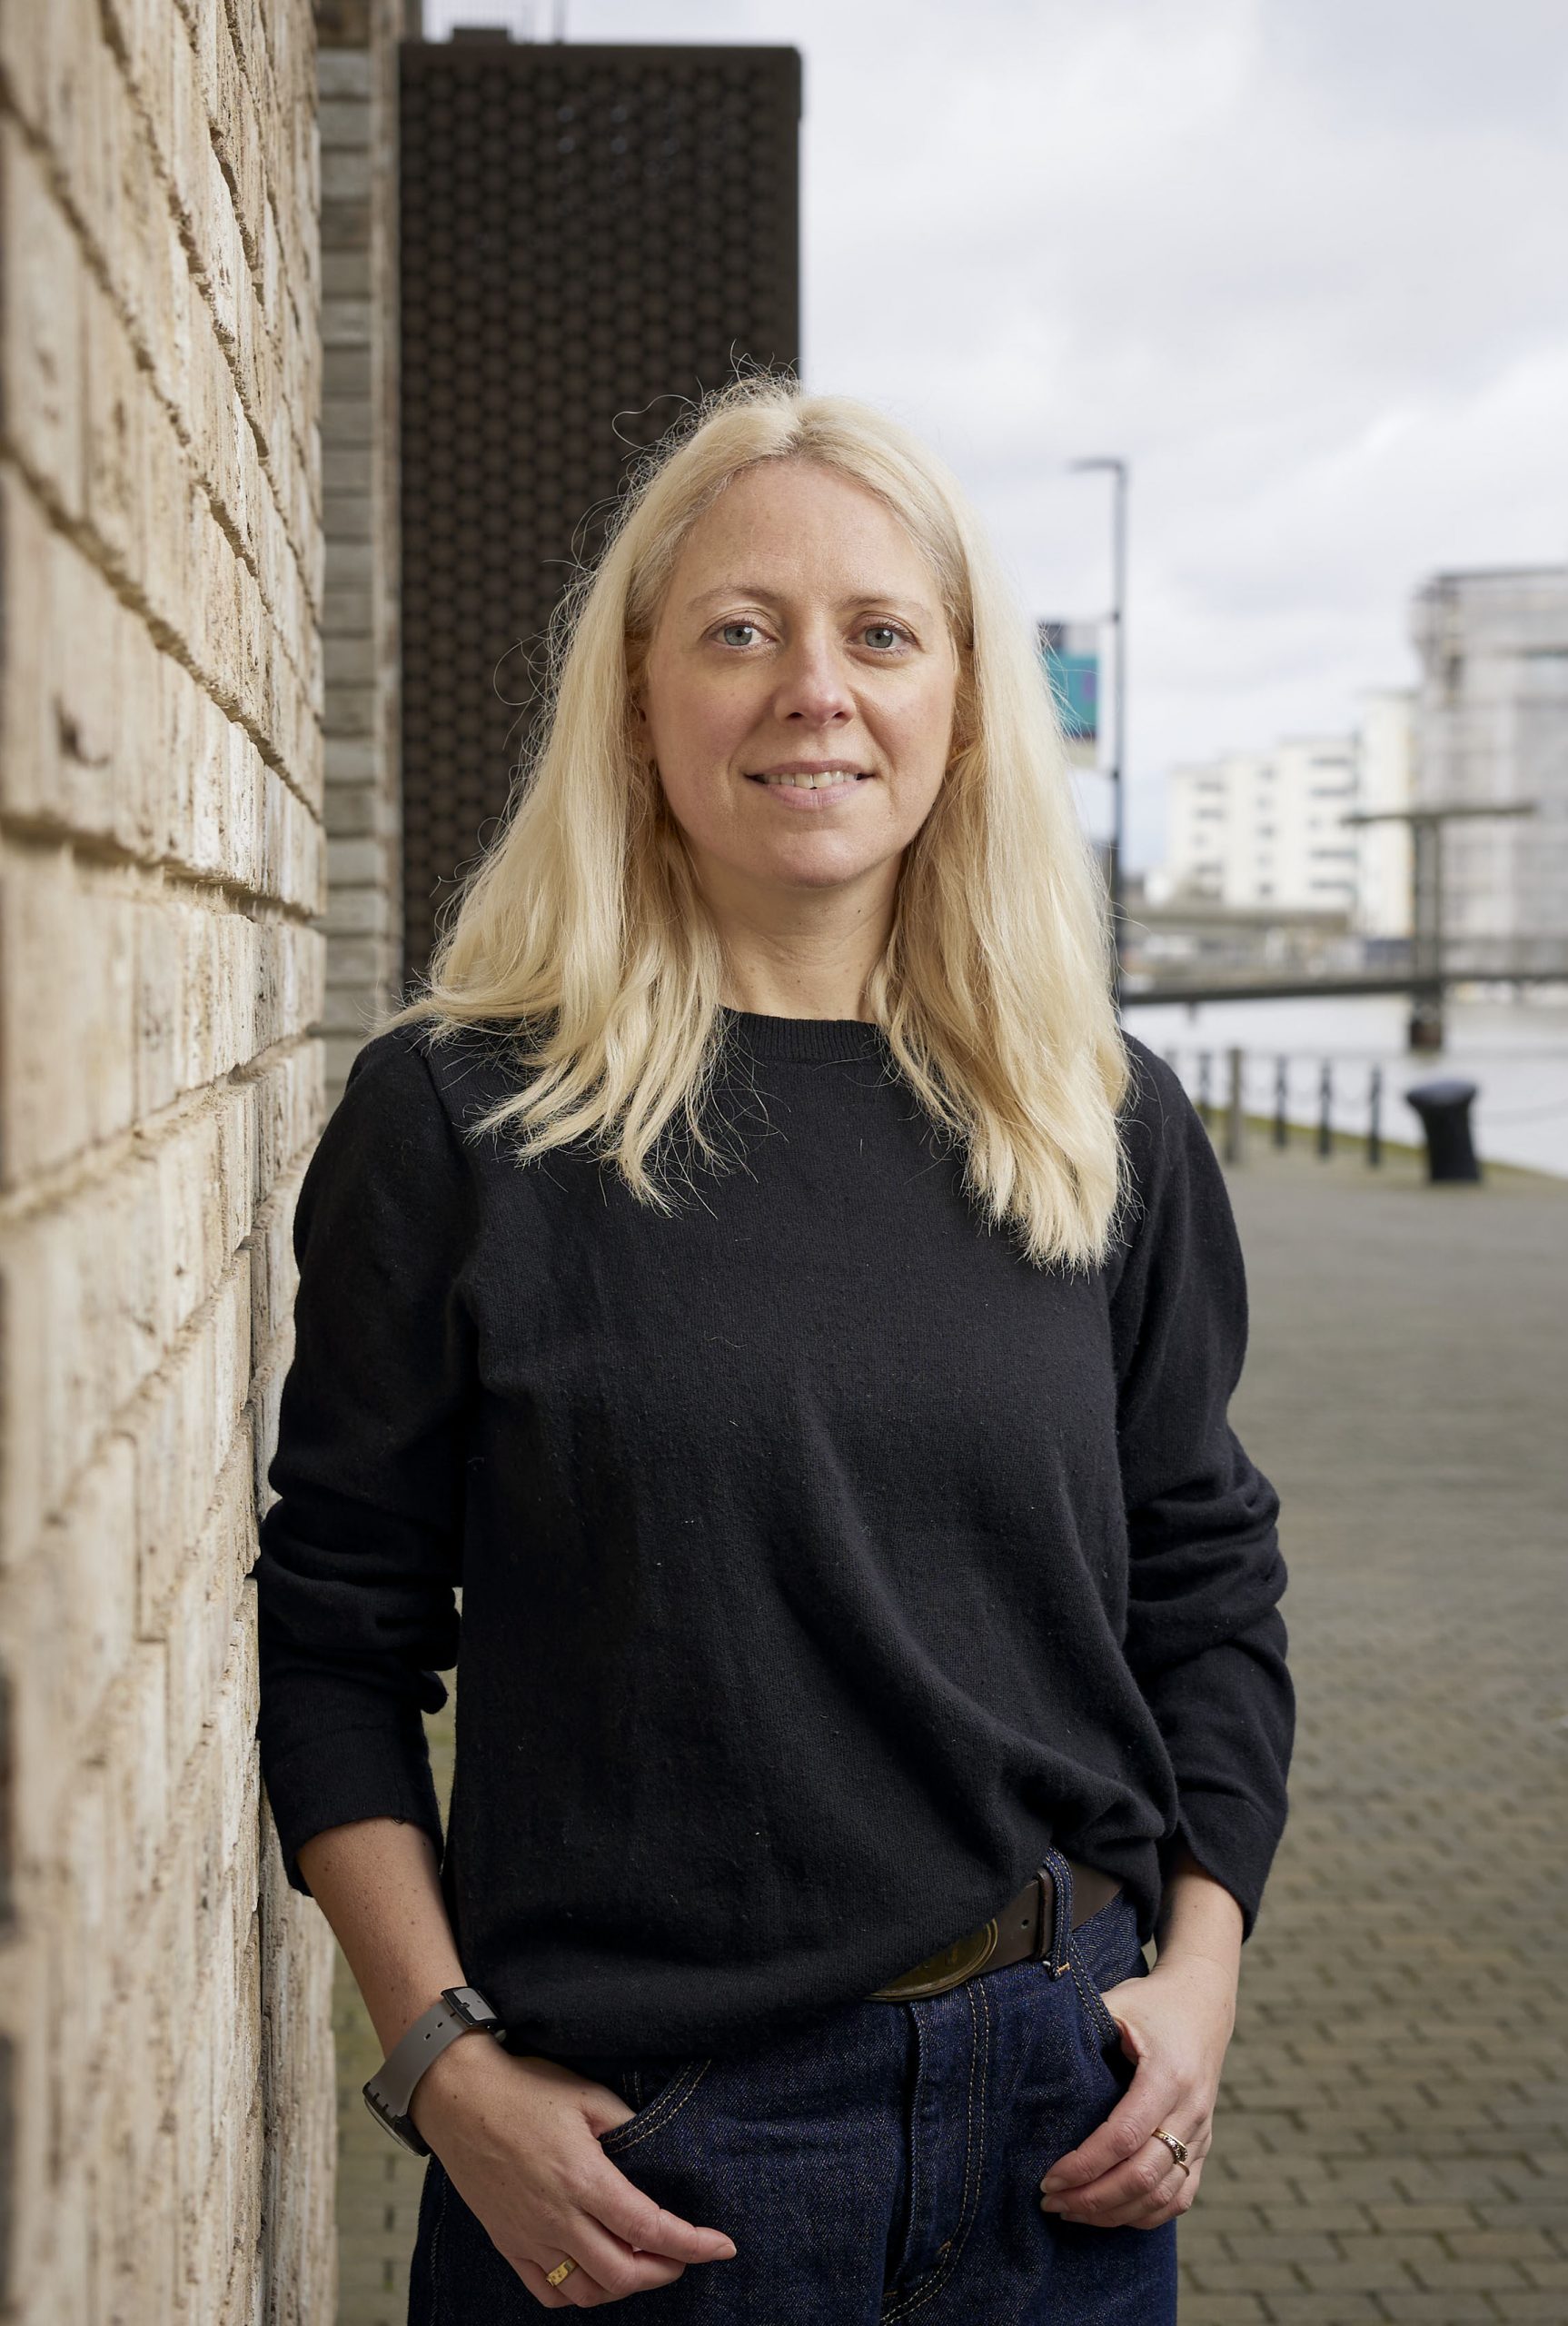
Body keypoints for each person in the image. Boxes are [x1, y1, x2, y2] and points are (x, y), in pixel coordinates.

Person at [253, 378, 1293, 2321]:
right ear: (638, 702)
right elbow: (328, 1639)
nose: (814, 686)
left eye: (878, 633)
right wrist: (439, 2063)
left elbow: (1207, 1580)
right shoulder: (463, 1123)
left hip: (1057, 2138)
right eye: (739, 630)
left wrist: (1200, 1980)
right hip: (638, 2170)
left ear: (959, 708)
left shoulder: (1098, 1119)